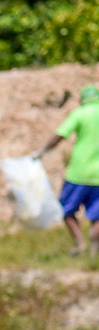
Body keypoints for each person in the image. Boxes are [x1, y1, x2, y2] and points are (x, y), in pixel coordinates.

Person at [35, 84, 99, 254]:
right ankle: (94, 250)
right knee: (97, 215)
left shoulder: (80, 113)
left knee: (66, 209)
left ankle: (80, 244)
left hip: (79, 172)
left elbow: (60, 134)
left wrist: (41, 152)